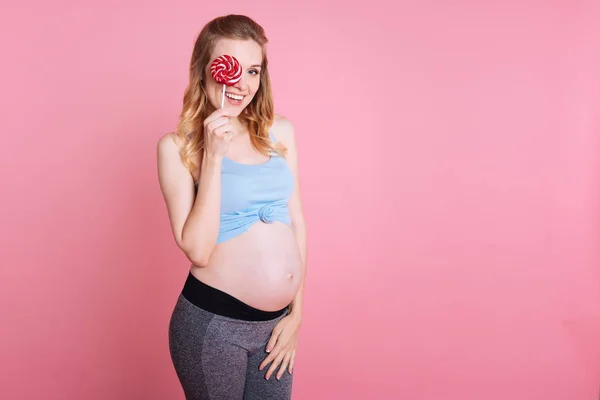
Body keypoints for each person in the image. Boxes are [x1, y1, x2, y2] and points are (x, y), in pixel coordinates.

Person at [156, 14, 307, 400]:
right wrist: (214, 158)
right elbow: (198, 249)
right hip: (213, 327)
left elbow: (296, 221)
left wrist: (297, 314)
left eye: (253, 70)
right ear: (204, 71)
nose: (242, 84)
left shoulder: (280, 132)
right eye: (232, 69)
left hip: (276, 327)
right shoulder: (177, 148)